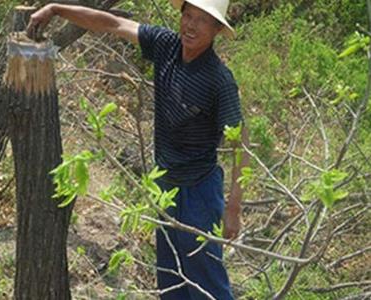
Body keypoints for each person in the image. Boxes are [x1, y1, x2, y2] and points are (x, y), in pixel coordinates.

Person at [28, 0, 249, 299]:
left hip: (199, 192)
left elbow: (240, 141)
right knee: (171, 280)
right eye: (188, 15)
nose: (191, 25)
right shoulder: (166, 45)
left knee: (207, 281)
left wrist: (234, 206)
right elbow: (112, 24)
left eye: (202, 20)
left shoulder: (219, 80)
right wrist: (56, 9)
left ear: (217, 29)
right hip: (164, 186)